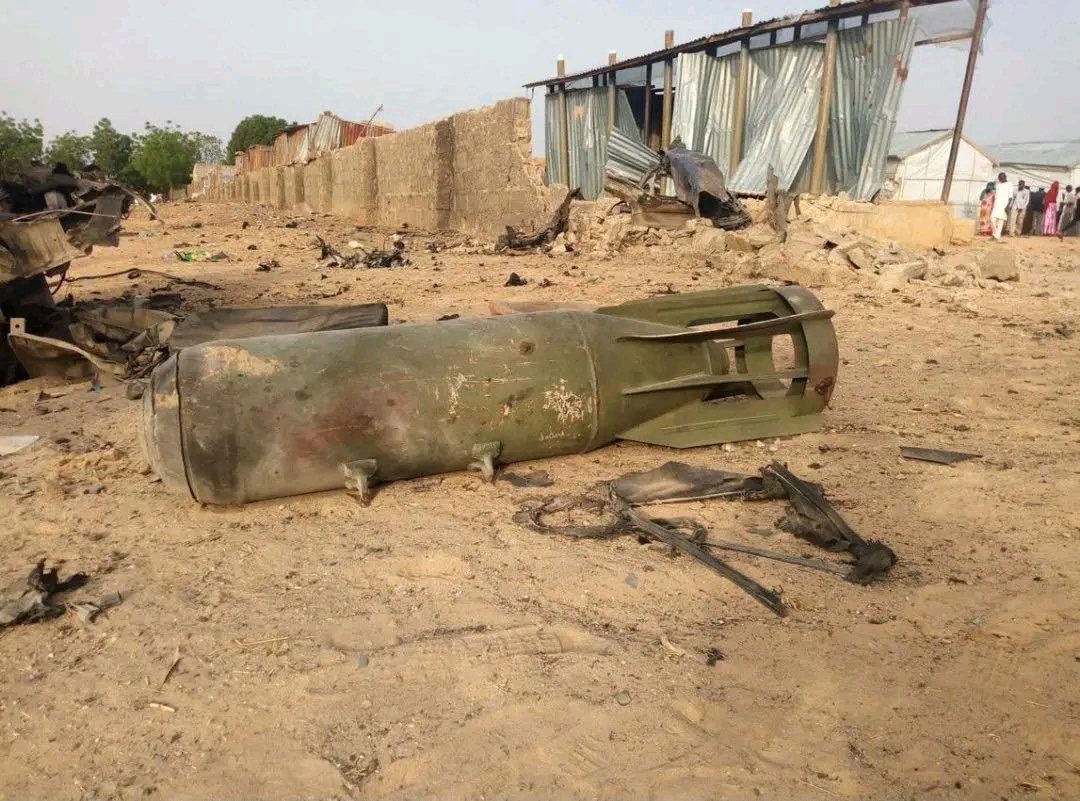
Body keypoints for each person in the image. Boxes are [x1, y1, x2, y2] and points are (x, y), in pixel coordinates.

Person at [990, 172, 1013, 240]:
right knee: (992, 219)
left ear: (1005, 177)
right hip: (996, 205)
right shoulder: (998, 185)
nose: (1000, 179)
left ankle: (996, 236)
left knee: (1000, 221)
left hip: (1004, 205)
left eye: (1001, 178)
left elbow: (1010, 197)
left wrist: (1008, 206)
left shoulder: (1010, 184)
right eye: (999, 178)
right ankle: (995, 234)